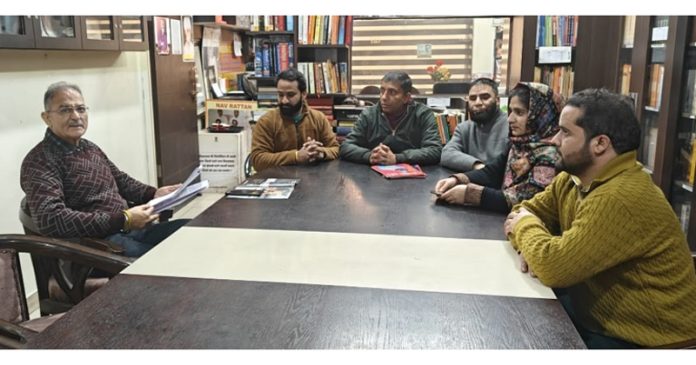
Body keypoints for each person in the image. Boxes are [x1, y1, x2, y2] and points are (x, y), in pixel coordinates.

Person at [504, 88, 696, 348]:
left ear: (600, 144)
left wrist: (528, 235)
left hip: (653, 343)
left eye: (566, 132)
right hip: (599, 318)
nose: (554, 140)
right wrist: (532, 243)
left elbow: (551, 265)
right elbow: (521, 211)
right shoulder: (572, 179)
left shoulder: (619, 197)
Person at [21, 82, 189, 258]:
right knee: (170, 258)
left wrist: (154, 193)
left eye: (81, 109)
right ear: (46, 118)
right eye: (65, 110)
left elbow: (121, 180)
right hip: (95, 246)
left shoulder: (89, 147)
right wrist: (123, 220)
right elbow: (51, 219)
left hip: (127, 230)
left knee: (191, 230)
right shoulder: (40, 161)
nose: (76, 116)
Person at [434, 82, 561, 214]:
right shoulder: (518, 144)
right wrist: (456, 179)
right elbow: (492, 172)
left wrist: (469, 194)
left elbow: (526, 199)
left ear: (541, 115)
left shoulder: (551, 153)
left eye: (519, 112)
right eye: (511, 111)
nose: (510, 119)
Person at [339, 71, 442, 166]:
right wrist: (370, 156)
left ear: (406, 97)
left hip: (412, 179)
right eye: (382, 91)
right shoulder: (369, 114)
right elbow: (346, 147)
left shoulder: (422, 114)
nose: (384, 97)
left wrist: (397, 158)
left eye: (392, 92)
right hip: (372, 177)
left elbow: (434, 150)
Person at [250, 68, 339, 171]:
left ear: (304, 94)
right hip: (277, 181)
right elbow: (257, 160)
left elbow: (336, 149)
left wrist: (321, 153)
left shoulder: (318, 118)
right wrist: (296, 156)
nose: (284, 100)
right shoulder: (266, 121)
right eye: (280, 95)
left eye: (290, 95)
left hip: (313, 180)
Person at [440, 77, 509, 172]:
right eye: (473, 98)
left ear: (497, 101)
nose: (478, 103)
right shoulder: (464, 128)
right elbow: (447, 154)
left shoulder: (511, 125)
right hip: (472, 180)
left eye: (485, 97)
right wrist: (477, 166)